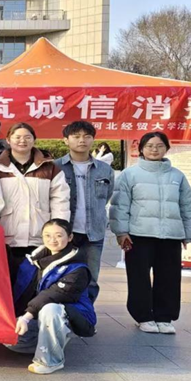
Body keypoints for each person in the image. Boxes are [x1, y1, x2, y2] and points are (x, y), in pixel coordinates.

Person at [110, 131, 191, 335]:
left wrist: (188, 233)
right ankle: (143, 317)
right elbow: (120, 206)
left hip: (170, 236)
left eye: (159, 146)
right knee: (138, 277)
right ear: (141, 149)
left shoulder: (177, 176)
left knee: (169, 277)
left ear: (167, 148)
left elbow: (187, 206)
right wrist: (121, 232)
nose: (154, 150)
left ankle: (164, 317)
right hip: (138, 235)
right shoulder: (130, 174)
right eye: (149, 146)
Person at [6, 219, 97, 374]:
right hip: (36, 316)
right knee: (10, 340)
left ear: (70, 237)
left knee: (51, 309)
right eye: (47, 235)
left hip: (73, 317)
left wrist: (26, 317)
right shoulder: (33, 260)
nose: (52, 240)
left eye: (58, 235)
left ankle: (51, 360)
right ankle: (49, 340)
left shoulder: (77, 269)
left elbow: (52, 295)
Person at [0, 123, 70, 268]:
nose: (22, 141)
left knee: (36, 279)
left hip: (39, 238)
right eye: (17, 137)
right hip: (5, 238)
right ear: (8, 140)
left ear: (34, 140)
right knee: (8, 279)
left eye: (27, 137)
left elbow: (60, 201)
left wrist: (59, 230)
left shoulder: (50, 168)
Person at [54, 121, 114, 302]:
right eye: (76, 136)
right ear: (66, 140)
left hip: (93, 234)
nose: (82, 140)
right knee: (61, 277)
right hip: (64, 232)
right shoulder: (56, 167)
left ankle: (86, 314)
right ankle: (64, 313)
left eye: (87, 136)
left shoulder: (104, 169)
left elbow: (107, 196)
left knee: (91, 279)